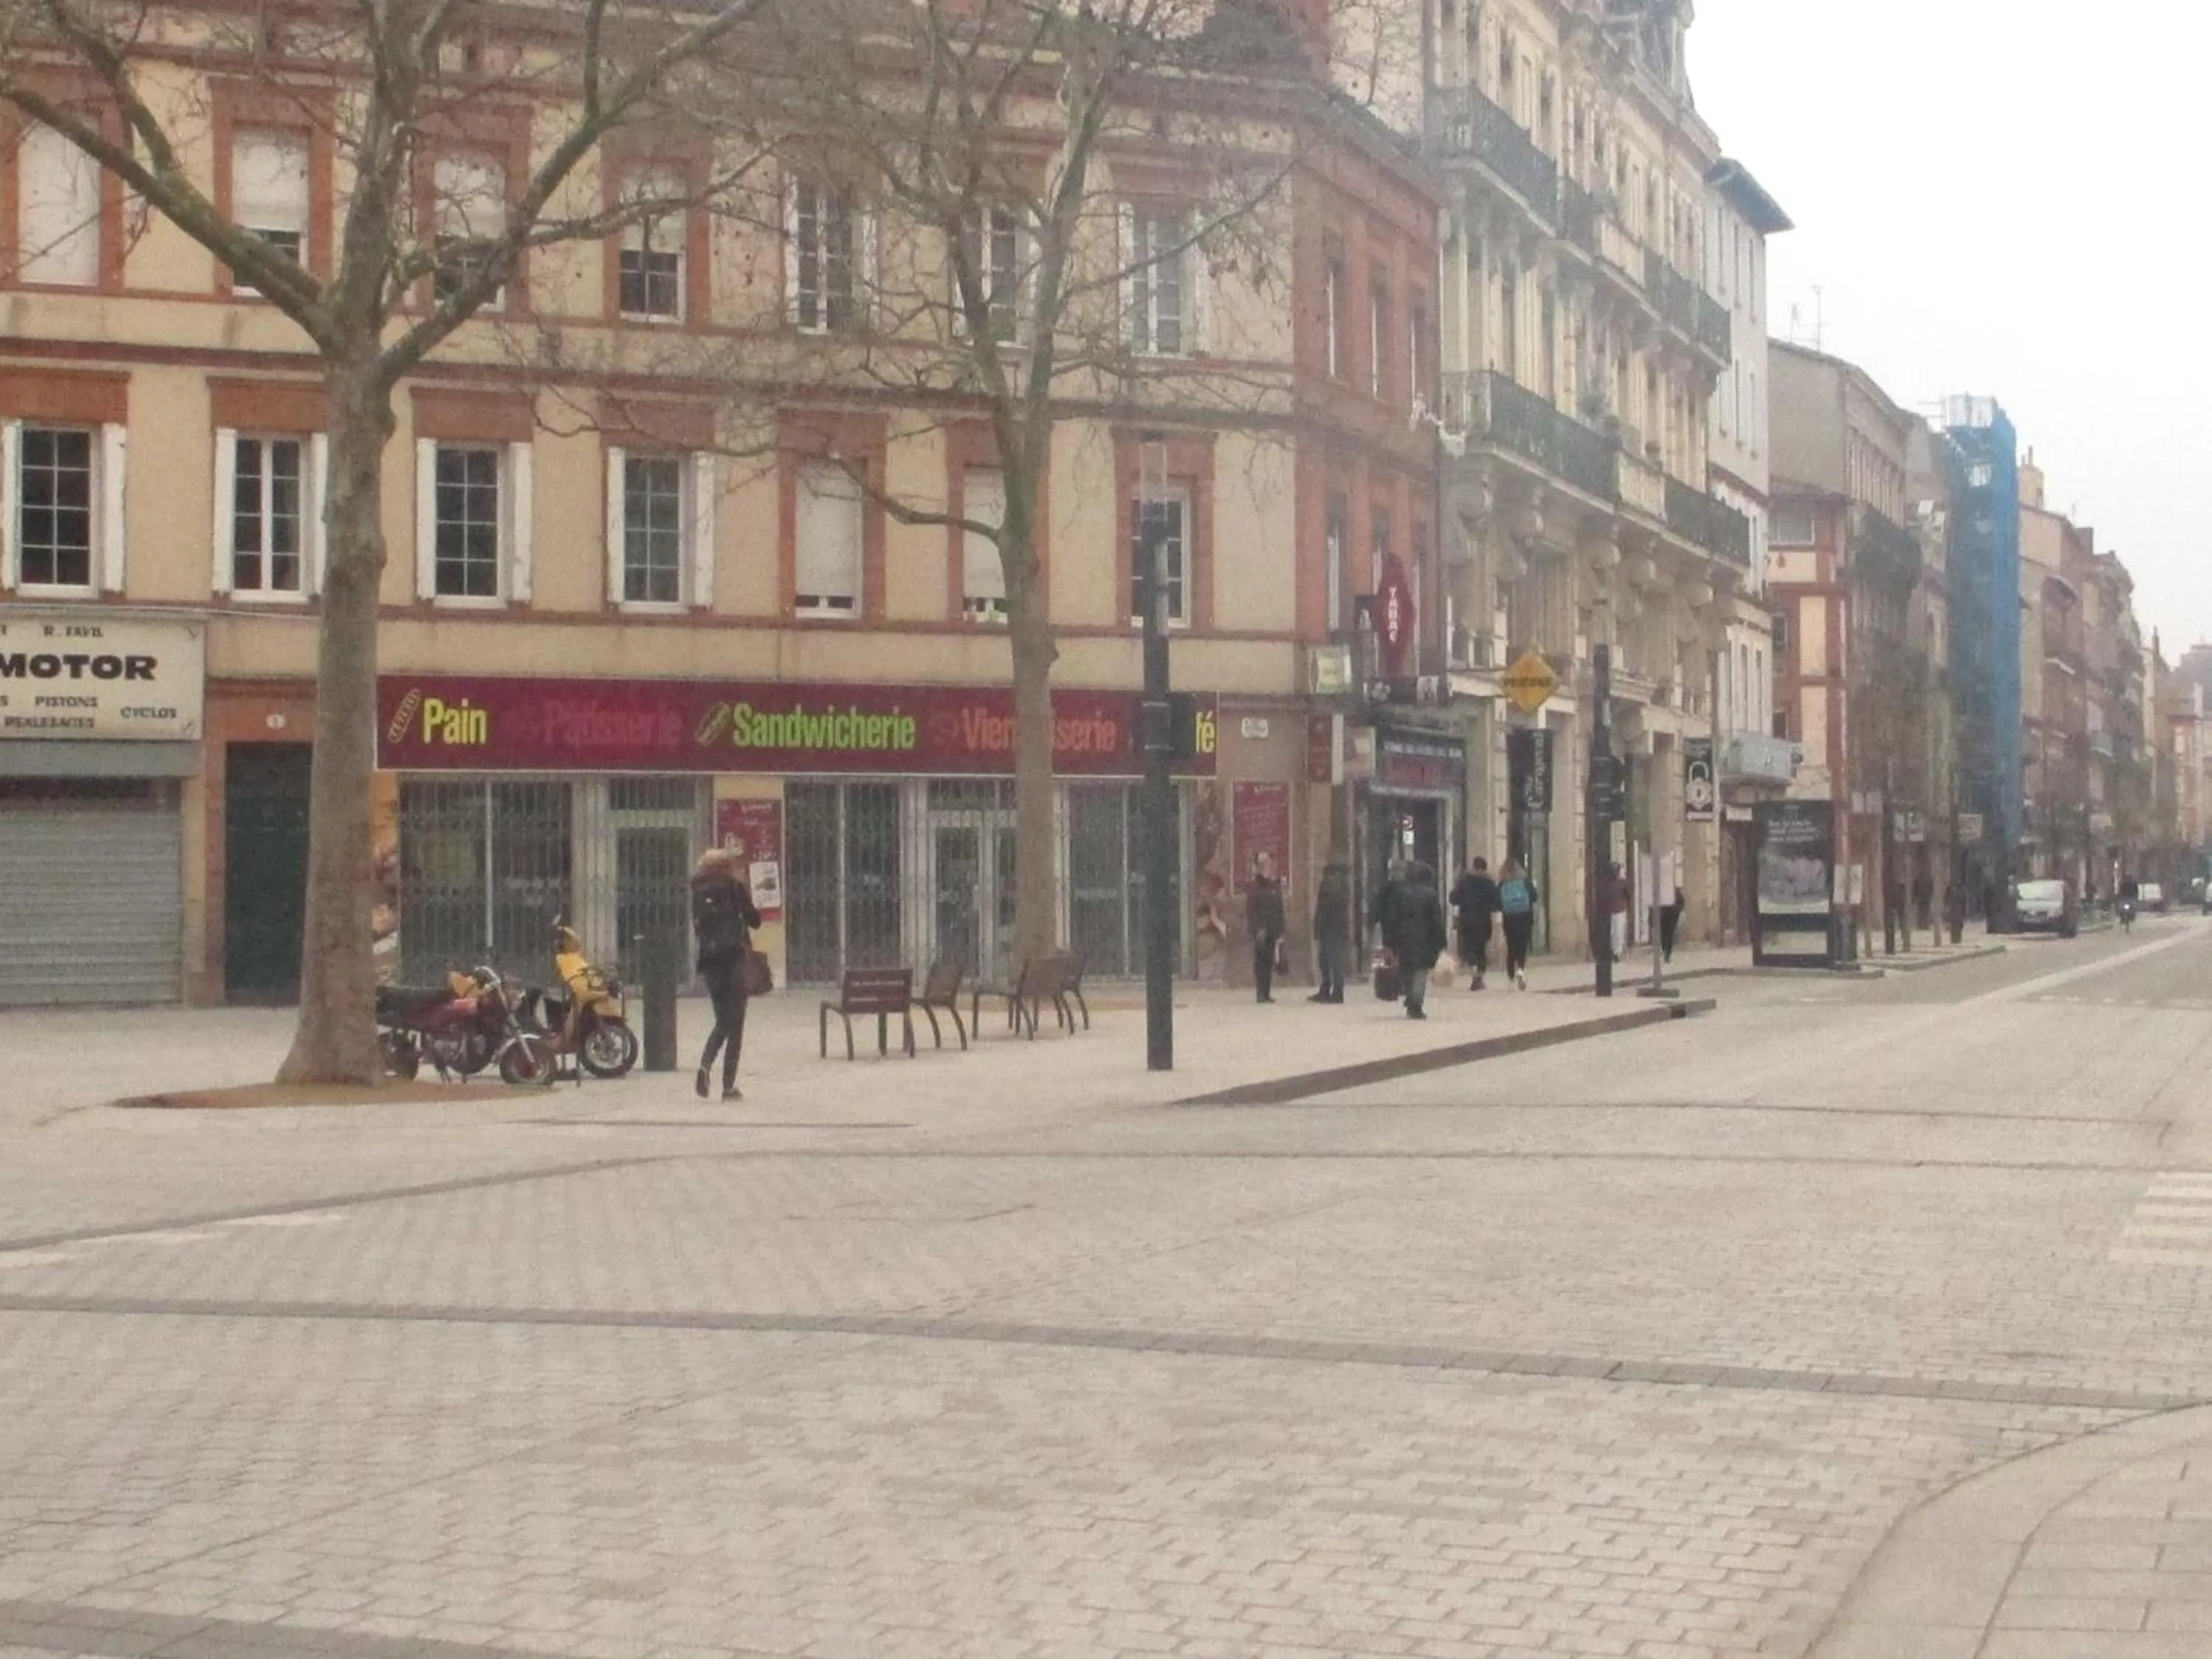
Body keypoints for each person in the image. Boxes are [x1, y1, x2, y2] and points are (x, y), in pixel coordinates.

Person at [691, 846, 762, 1102]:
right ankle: (728, 1086)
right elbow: (755, 920)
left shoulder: (697, 891)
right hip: (734, 959)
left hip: (711, 962)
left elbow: (699, 927)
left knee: (722, 1020)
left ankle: (705, 1065)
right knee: (736, 1023)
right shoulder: (734, 886)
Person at [1386, 861, 1449, 1020]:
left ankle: (1410, 998)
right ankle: (1416, 1005)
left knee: (1407, 970)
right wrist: (1441, 941)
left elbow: (1392, 918)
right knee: (1420, 972)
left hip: (1404, 939)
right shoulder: (1430, 894)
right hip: (1425, 939)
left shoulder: (1401, 893)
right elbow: (1436, 920)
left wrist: (1390, 941)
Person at [1449, 857, 1503, 990]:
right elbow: (1498, 903)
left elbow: (1453, 898)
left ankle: (1474, 973)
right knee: (1481, 949)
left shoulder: (1465, 882)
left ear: (1473, 866)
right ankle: (1479, 977)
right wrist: (1488, 907)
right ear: (1485, 868)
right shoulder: (1489, 883)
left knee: (1470, 949)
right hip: (1483, 921)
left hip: (1466, 920)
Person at [1310, 855, 1352, 1004]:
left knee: (1331, 959)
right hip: (1336, 925)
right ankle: (1330, 989)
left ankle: (1334, 991)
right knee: (1329, 959)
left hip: (1331, 926)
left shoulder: (1332, 881)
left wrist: (1319, 924)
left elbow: (1326, 905)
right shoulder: (1341, 880)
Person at [1246, 852, 1287, 1004]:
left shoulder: (1274, 886)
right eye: (1263, 863)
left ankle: (1267, 992)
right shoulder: (1255, 887)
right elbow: (1251, 911)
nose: (1267, 866)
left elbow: (1279, 909)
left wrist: (1281, 929)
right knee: (1260, 962)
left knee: (1269, 961)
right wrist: (1257, 929)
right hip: (1261, 931)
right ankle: (1261, 993)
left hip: (1272, 929)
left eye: (1268, 862)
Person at [1498, 858, 1538, 989]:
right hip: (1524, 917)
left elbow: (1497, 900)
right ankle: (1520, 969)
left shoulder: (1503, 882)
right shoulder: (1524, 880)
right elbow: (1535, 896)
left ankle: (1510, 979)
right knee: (1522, 945)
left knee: (1511, 947)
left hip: (1509, 918)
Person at [1659, 883, 1685, 963]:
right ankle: (1665, 951)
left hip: (1671, 918)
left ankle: (1667, 954)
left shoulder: (1676, 893)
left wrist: (1677, 911)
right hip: (1664, 918)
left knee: (1669, 936)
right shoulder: (1663, 893)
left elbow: (1681, 903)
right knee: (1663, 935)